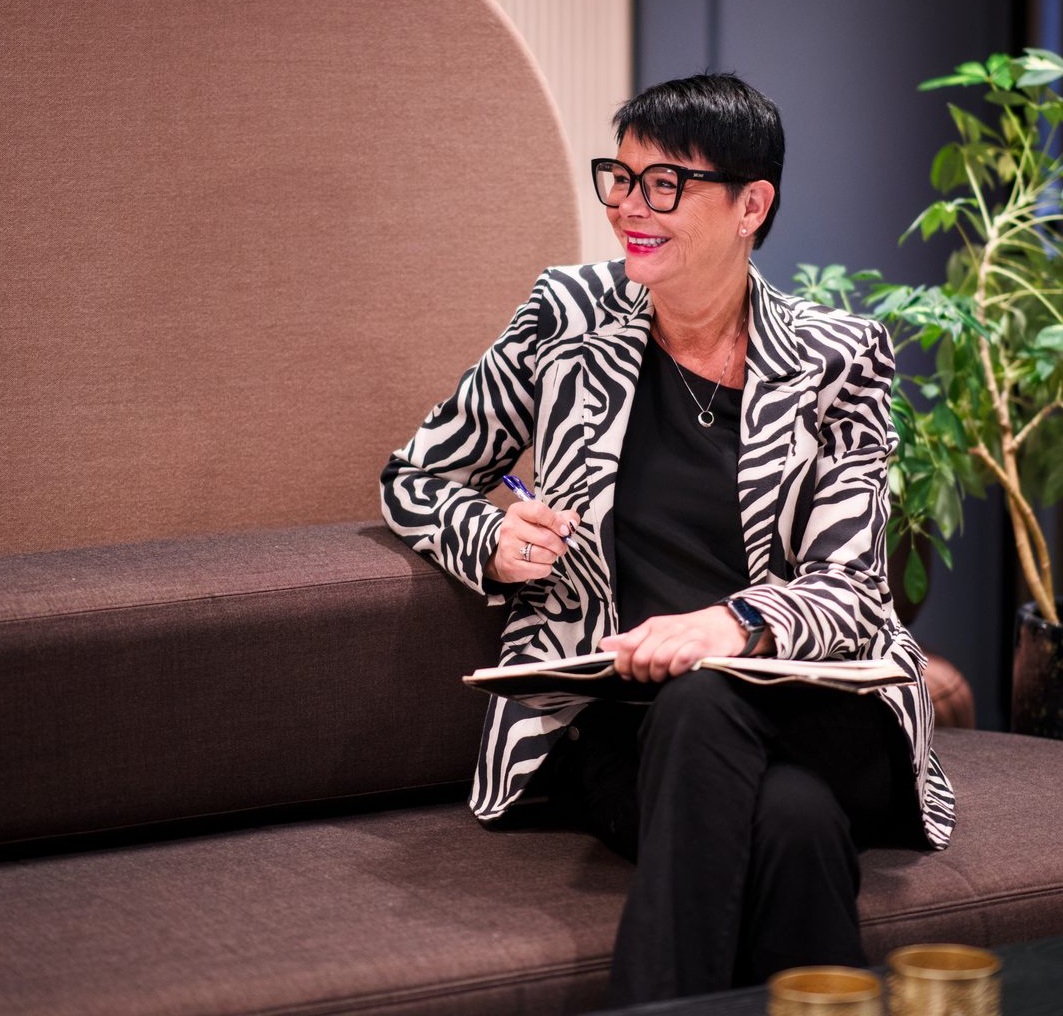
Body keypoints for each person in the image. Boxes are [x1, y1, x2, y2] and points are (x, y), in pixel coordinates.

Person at [380, 73, 955, 1004]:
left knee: (708, 701)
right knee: (795, 823)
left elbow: (851, 587)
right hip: (620, 724)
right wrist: (485, 532)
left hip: (814, 710)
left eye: (666, 185)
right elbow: (413, 476)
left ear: (750, 205)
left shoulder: (838, 357)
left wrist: (730, 625)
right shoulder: (566, 320)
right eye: (622, 177)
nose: (628, 207)